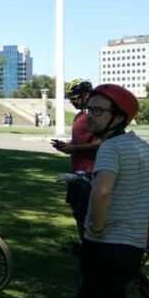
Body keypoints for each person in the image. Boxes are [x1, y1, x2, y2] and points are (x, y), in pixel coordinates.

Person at [19, 84, 149, 298]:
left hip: (106, 245)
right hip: (130, 246)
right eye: (89, 109)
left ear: (120, 117)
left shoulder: (110, 149)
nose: (89, 117)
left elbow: (103, 190)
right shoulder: (144, 148)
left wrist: (96, 229)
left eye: (98, 111)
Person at [51, 79, 101, 240]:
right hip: (76, 171)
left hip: (90, 172)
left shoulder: (96, 114)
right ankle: (83, 244)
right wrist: (67, 146)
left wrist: (74, 149)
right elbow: (81, 141)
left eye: (75, 98)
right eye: (70, 99)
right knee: (78, 211)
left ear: (86, 95)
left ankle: (91, 247)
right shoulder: (80, 115)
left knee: (88, 213)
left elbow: (103, 142)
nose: (72, 102)